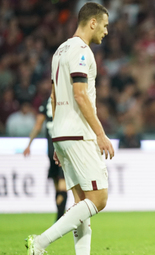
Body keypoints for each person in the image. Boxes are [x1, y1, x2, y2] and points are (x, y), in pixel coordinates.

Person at [25, 3, 114, 255]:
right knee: (98, 200)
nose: (106, 32)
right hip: (79, 133)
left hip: (63, 134)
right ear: (93, 22)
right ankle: (40, 243)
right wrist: (100, 133)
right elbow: (80, 95)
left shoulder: (60, 51)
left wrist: (55, 140)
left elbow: (53, 97)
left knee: (80, 205)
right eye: (105, 26)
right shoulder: (81, 51)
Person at [23, 97, 68, 221]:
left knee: (58, 185)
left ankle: (59, 218)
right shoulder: (67, 99)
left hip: (51, 149)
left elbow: (38, 126)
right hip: (63, 147)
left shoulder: (46, 102)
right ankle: (60, 219)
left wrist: (29, 145)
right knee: (61, 185)